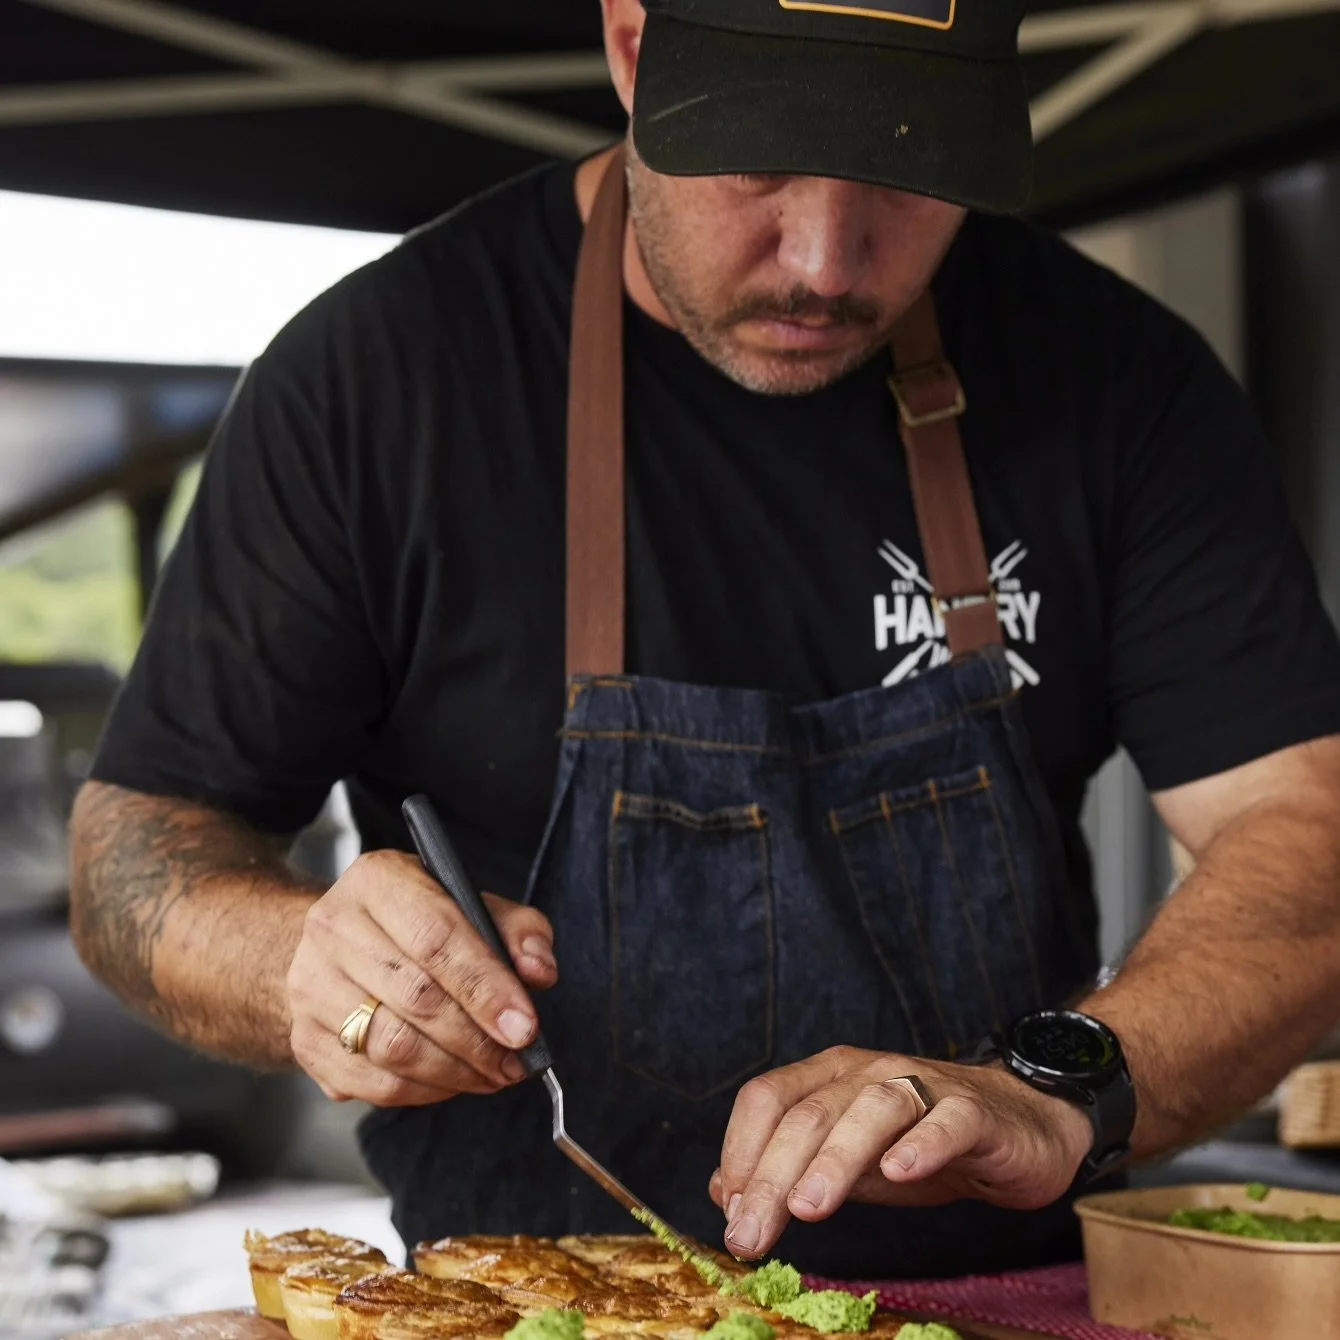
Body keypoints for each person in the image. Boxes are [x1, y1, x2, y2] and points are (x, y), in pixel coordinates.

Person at [70, 0, 1340, 1281]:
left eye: (905, 170)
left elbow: (1304, 831)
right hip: (530, 1301)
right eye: (762, 159)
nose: (826, 262)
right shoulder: (379, 381)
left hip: (1004, 1296)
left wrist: (1057, 1090)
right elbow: (133, 855)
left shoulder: (1119, 380)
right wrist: (298, 956)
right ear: (633, 51)